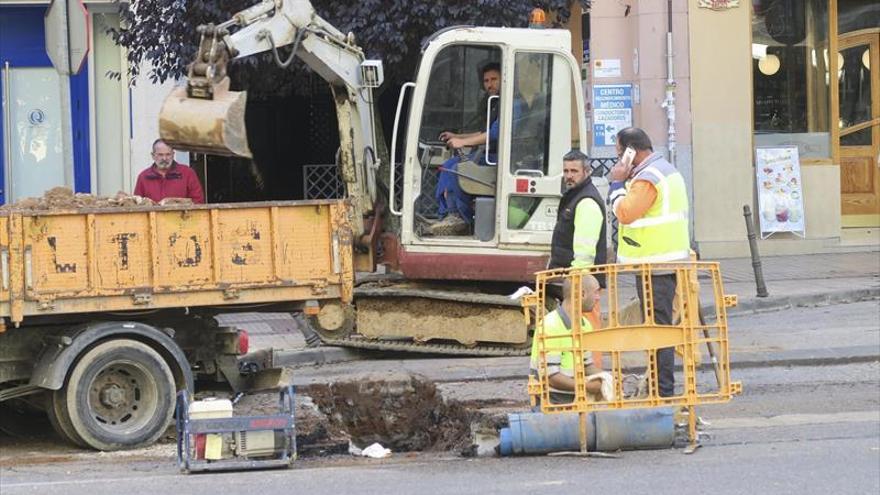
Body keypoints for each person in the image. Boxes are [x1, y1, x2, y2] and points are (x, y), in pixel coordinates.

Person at [607, 127, 690, 398]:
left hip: (656, 264)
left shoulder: (648, 178)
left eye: (620, 154)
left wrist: (617, 184)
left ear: (631, 152)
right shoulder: (663, 170)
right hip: (661, 262)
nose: (619, 161)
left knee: (658, 331)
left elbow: (626, 213)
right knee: (658, 328)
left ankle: (662, 391)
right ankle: (658, 387)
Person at [430, 62, 503, 236]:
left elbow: (494, 134)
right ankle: (448, 214)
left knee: (457, 170)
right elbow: (483, 132)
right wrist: (457, 136)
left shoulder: (511, 103)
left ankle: (461, 218)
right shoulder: (495, 103)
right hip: (488, 154)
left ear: (504, 79)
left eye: (494, 79)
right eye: (486, 81)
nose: (489, 84)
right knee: (448, 165)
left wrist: (462, 143)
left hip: (498, 158)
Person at [529, 274, 612, 406]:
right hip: (551, 403)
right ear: (582, 294)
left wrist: (608, 377)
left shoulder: (584, 324)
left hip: (574, 398)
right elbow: (551, 378)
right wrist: (588, 386)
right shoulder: (551, 325)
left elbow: (587, 366)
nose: (598, 297)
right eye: (596, 292)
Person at [548, 149, 607, 276]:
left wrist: (576, 277)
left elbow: (585, 251)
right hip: (567, 274)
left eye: (574, 171)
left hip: (579, 277)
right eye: (566, 171)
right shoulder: (574, 195)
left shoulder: (587, 201)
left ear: (587, 172)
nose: (569, 176)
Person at [134, 139, 205, 204]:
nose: (164, 158)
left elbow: (198, 201)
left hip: (182, 217)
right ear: (153, 155)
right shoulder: (143, 177)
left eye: (168, 154)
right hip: (153, 218)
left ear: (173, 154)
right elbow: (137, 205)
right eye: (160, 155)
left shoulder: (188, 173)